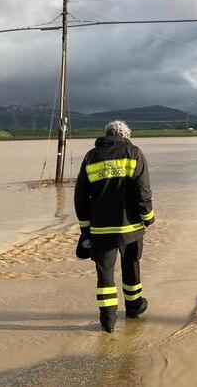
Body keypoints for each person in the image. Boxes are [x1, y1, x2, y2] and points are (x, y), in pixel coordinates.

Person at [74, 120, 155, 333]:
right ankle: (134, 307)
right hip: (130, 228)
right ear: (125, 136)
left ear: (107, 135)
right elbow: (143, 190)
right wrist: (148, 216)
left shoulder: (91, 156)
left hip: (100, 230)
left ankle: (108, 321)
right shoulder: (133, 153)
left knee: (105, 276)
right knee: (131, 266)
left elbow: (80, 196)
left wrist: (85, 228)